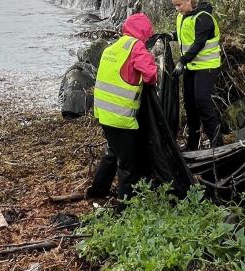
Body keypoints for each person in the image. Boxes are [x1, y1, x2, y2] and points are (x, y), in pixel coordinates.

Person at [86, 13, 159, 201]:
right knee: (128, 165)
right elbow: (151, 75)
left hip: (104, 113)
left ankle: (97, 192)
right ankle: (124, 206)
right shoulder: (136, 47)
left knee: (112, 152)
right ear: (144, 32)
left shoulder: (112, 47)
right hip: (122, 117)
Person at [170, 0, 223, 150]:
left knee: (202, 102)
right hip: (191, 66)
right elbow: (185, 35)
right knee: (190, 104)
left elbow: (199, 42)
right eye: (174, 5)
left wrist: (182, 61)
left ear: (189, 1)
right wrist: (171, 35)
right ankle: (192, 143)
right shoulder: (182, 16)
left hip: (207, 66)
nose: (177, 9)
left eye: (179, 4)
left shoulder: (203, 18)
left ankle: (217, 144)